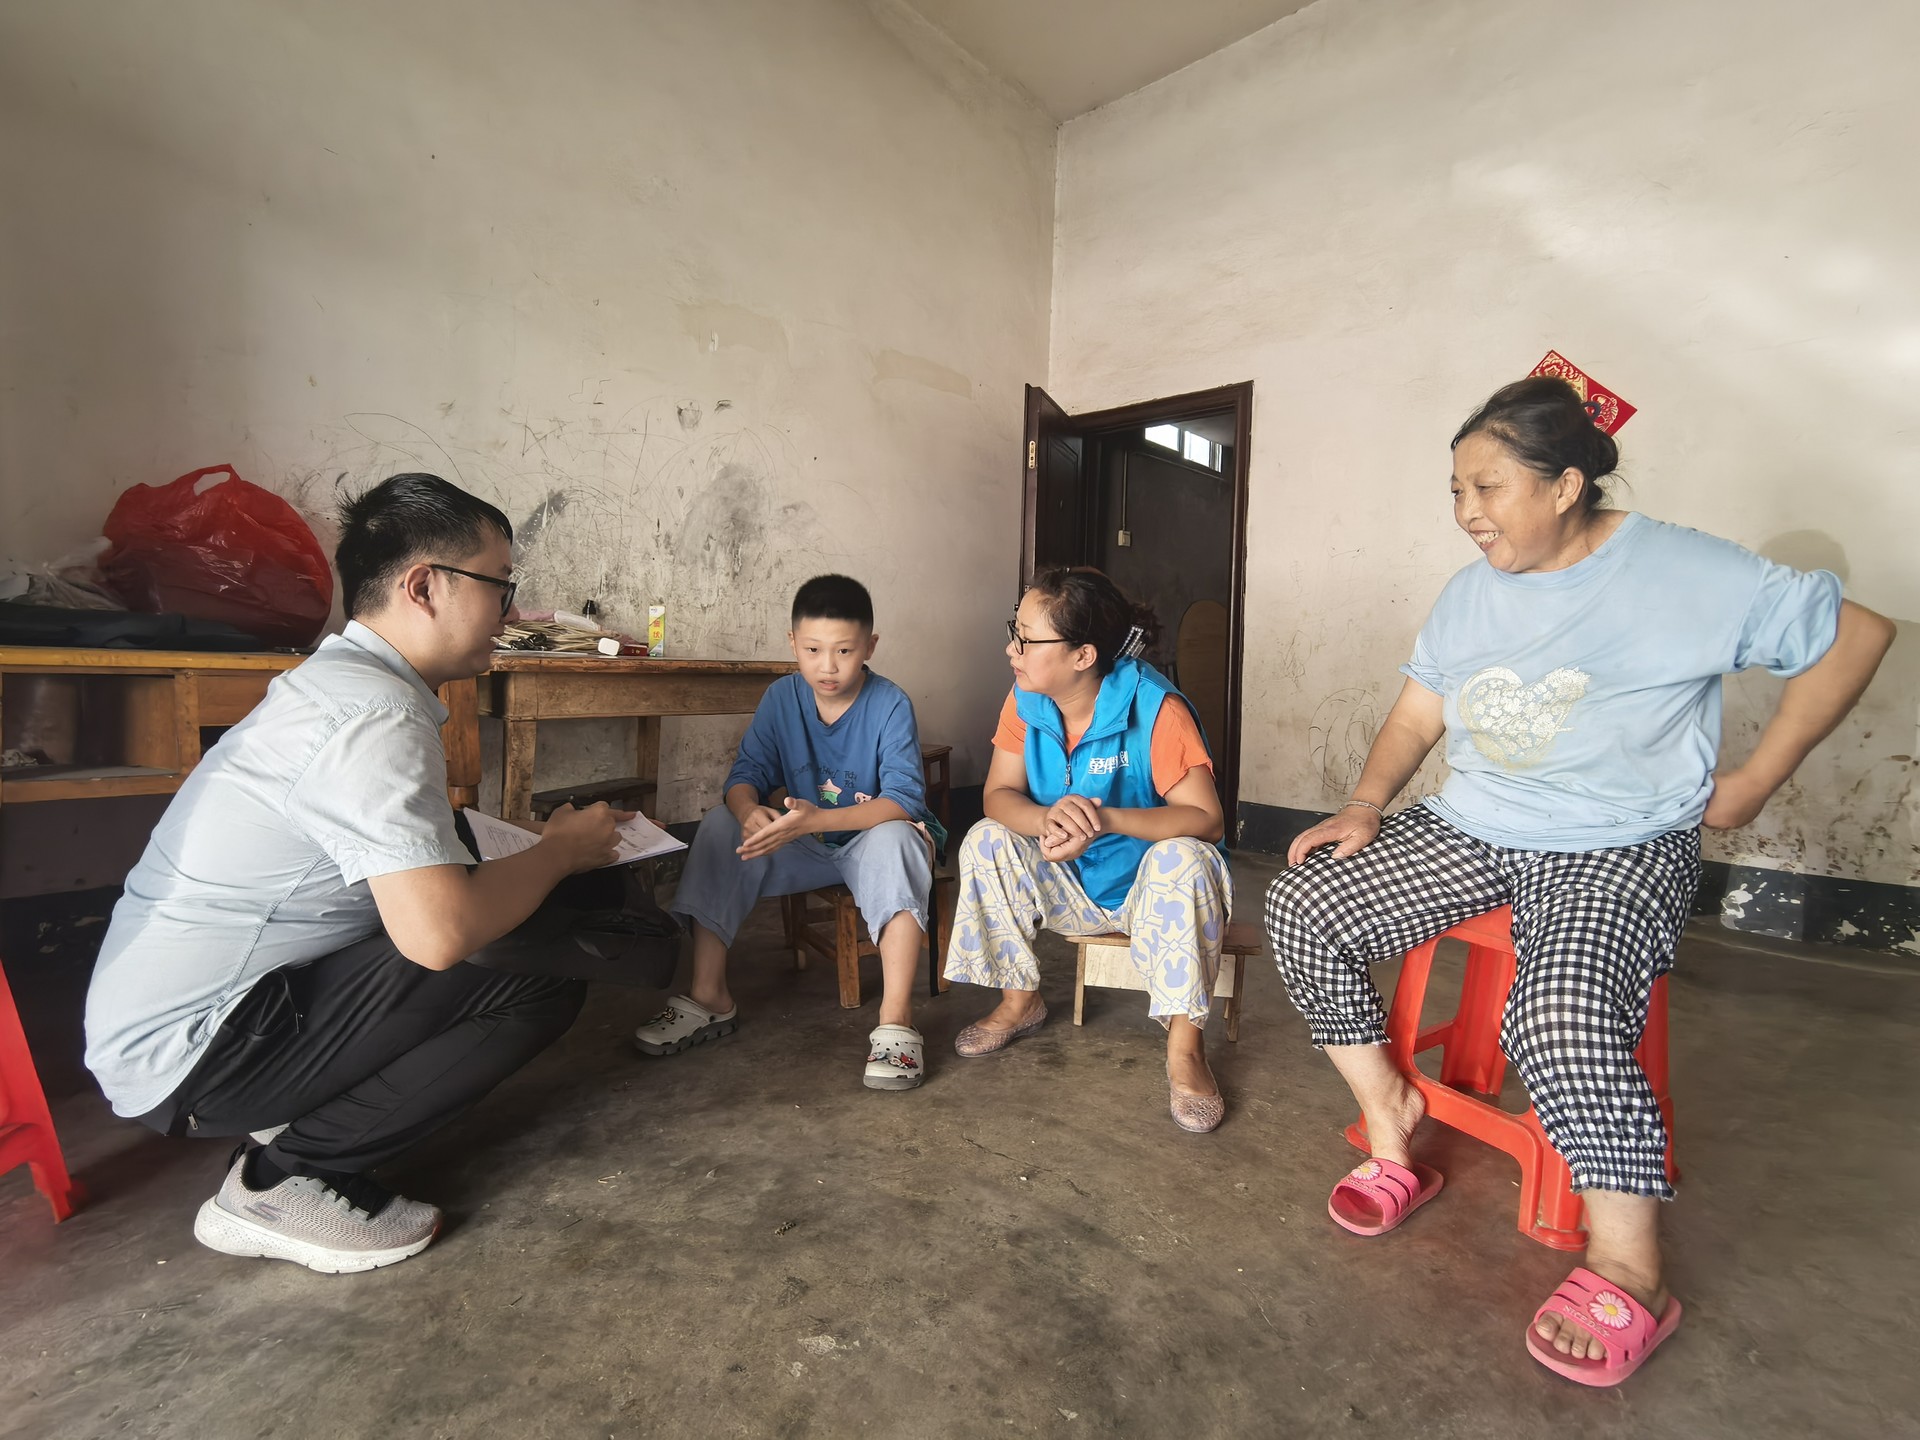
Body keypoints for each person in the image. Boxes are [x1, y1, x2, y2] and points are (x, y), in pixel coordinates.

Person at [1264, 376, 1895, 1386]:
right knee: (1306, 902)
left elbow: (1857, 634)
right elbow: (1420, 713)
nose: (1467, 512)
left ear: (1564, 486)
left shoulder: (1678, 568)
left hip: (1620, 841)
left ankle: (1629, 1266)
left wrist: (1752, 784)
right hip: (1476, 826)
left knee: (1556, 1013)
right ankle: (1390, 1118)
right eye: (1456, 490)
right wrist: (1366, 805)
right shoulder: (1471, 593)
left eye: (1487, 488)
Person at [83, 473, 644, 1273]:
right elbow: (439, 934)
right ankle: (282, 1181)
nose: (510, 613)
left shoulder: (345, 684)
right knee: (533, 966)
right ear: (424, 586)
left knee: (508, 892)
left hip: (177, 1022)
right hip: (196, 1053)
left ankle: (301, 1109)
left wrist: (543, 845)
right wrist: (558, 854)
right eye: (500, 585)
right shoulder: (374, 716)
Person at [943, 567, 1234, 1132]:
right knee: (986, 839)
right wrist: (1046, 818)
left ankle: (1186, 1050)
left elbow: (1207, 819)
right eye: (1014, 632)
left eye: (1027, 640)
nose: (1011, 650)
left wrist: (1104, 820)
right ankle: (1020, 1000)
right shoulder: (1026, 700)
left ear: (1083, 655)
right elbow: (998, 795)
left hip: (1152, 896)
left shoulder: (1155, 708)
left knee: (1186, 857)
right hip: (1070, 883)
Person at [636, 574, 943, 1089]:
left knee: (899, 838)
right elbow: (745, 776)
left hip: (868, 842)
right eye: (813, 649)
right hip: (804, 842)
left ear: (870, 646)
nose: (828, 666)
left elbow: (904, 800)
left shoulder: (890, 703)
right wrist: (747, 810)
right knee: (719, 825)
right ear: (793, 643)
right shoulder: (782, 697)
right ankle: (710, 995)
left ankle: (896, 1022)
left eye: (844, 650)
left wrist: (819, 819)